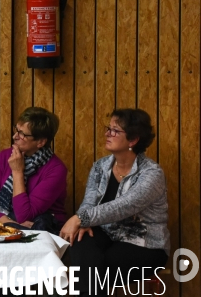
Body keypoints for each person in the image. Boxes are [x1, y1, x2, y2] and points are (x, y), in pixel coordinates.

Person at [59, 108, 169, 296]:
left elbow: (125, 206)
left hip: (144, 244)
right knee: (79, 242)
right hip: (108, 236)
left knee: (93, 270)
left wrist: (79, 219)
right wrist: (84, 221)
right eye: (108, 128)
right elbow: (89, 202)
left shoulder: (151, 173)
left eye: (115, 131)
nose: (107, 134)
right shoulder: (101, 166)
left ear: (133, 140)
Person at [0, 106, 67, 234]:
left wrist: (17, 171)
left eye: (22, 134)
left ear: (40, 142)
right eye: (16, 130)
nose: (14, 136)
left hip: (45, 229)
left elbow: (25, 215)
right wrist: (11, 224)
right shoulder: (4, 157)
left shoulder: (56, 169)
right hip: (9, 224)